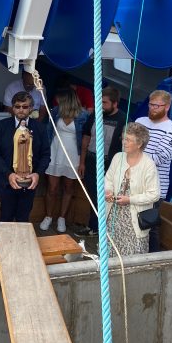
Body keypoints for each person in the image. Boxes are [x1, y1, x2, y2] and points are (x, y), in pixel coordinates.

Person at [0, 91, 51, 222]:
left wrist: (37, 174)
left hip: (29, 181)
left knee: (23, 217)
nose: (21, 110)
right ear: (12, 107)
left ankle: (22, 242)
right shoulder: (2, 126)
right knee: (6, 215)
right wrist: (8, 174)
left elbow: (46, 155)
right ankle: (5, 243)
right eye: (17, 106)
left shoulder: (39, 128)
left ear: (31, 108)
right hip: (6, 180)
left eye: (25, 106)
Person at [105, 122, 160, 257]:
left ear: (139, 144)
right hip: (113, 216)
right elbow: (108, 179)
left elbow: (154, 194)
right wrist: (108, 191)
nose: (124, 142)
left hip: (134, 222)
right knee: (110, 252)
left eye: (128, 140)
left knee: (132, 257)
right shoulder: (118, 157)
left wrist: (130, 200)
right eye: (123, 138)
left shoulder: (148, 165)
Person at [77, 86, 126, 236]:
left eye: (104, 103)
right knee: (93, 195)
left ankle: (104, 229)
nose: (101, 105)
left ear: (115, 103)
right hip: (91, 163)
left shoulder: (124, 119)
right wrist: (82, 162)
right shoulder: (95, 115)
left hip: (110, 167)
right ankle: (94, 227)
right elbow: (86, 137)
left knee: (106, 197)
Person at [136, 89, 172, 252]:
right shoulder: (140, 122)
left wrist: (135, 151)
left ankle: (152, 258)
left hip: (154, 187)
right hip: (133, 183)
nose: (152, 108)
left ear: (167, 107)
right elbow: (126, 146)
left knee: (148, 225)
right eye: (151, 104)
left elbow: (158, 158)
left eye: (157, 105)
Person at [40, 87, 89, 233]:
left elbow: (86, 140)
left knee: (68, 188)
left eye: (60, 100)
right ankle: (48, 216)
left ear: (67, 101)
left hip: (74, 154)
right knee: (52, 188)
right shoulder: (55, 111)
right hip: (55, 152)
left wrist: (82, 162)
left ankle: (62, 218)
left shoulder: (84, 115)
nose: (57, 102)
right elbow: (48, 133)